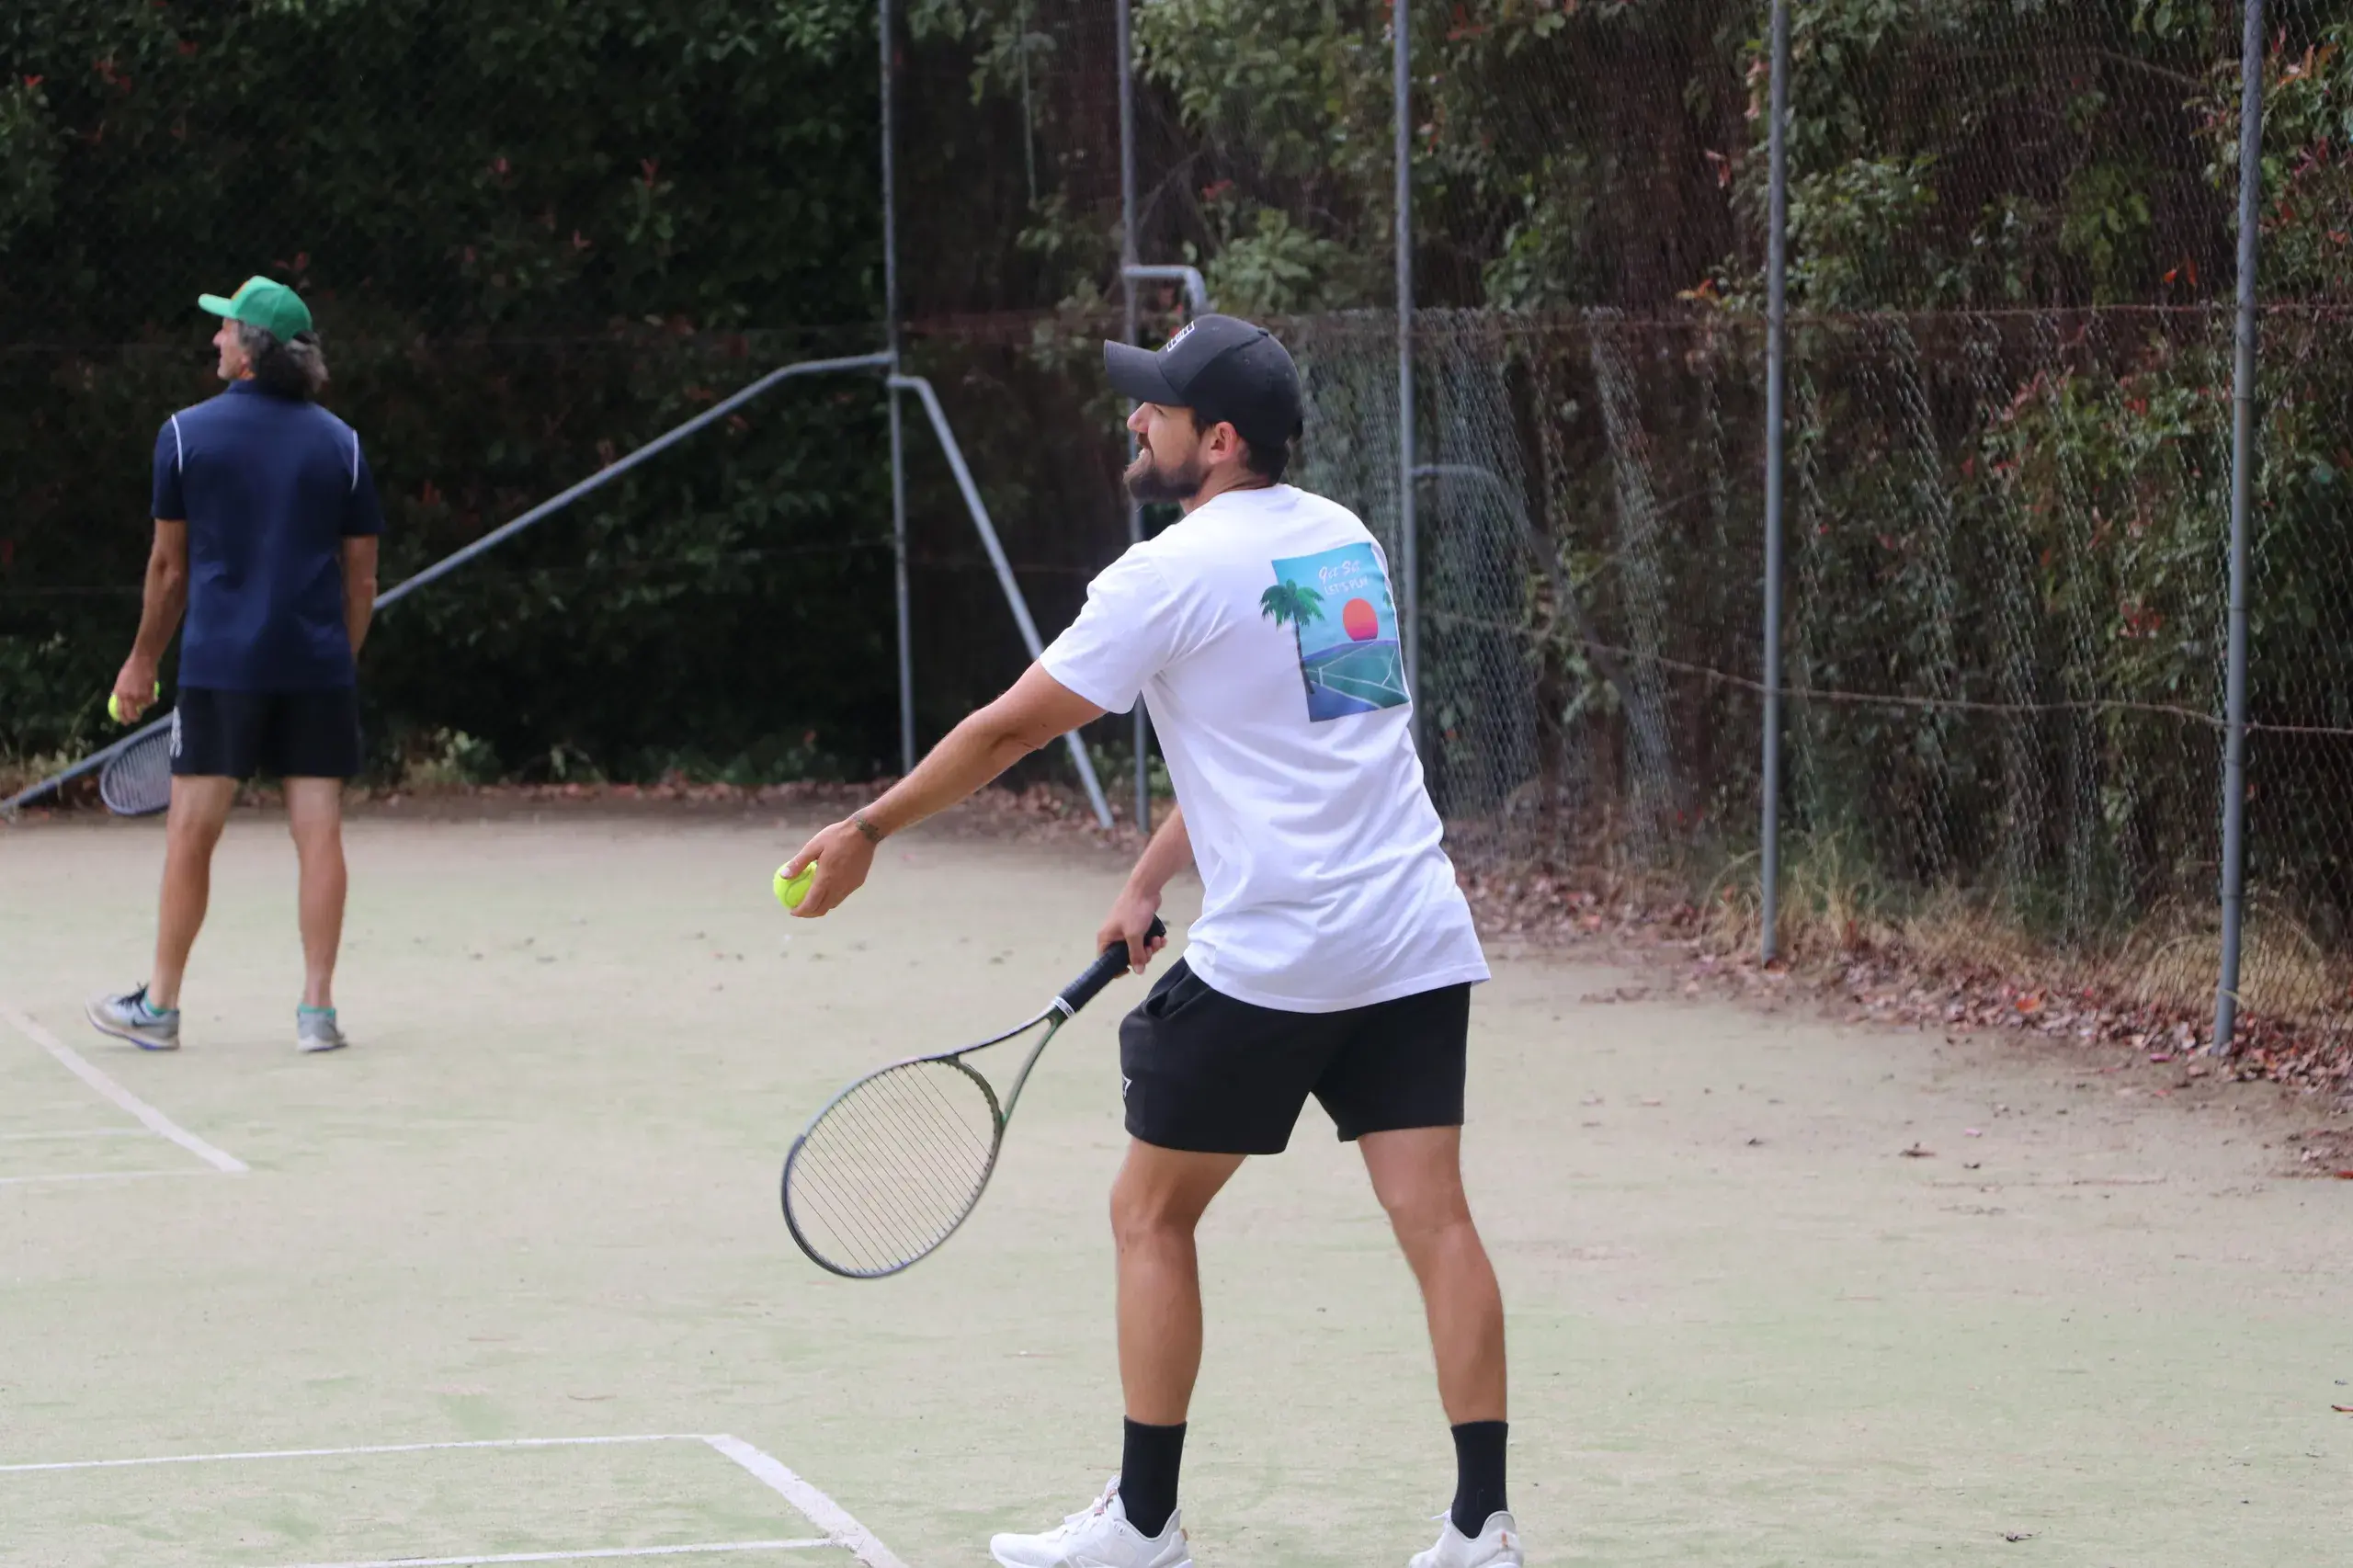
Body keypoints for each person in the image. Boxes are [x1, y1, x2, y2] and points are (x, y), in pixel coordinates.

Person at [783, 315, 1518, 1568]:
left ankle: (1143, 1520)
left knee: (1148, 1214)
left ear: (1216, 441)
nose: (1137, 420)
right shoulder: (1342, 540)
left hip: (1283, 956)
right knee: (1435, 1217)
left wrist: (867, 829)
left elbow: (1007, 730)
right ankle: (1482, 1528)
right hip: (1409, 933)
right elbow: (1290, 741)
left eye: (1158, 408)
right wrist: (1146, 875)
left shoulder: (1163, 576)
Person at [86, 276, 383, 1055]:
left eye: (225, 330)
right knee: (318, 834)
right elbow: (362, 579)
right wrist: (339, 658)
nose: (214, 339)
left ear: (249, 352)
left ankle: (160, 1007)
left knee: (190, 833)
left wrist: (141, 662)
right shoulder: (344, 444)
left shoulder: (184, 435)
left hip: (222, 668)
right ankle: (317, 1015)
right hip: (316, 670)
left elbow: (168, 570)